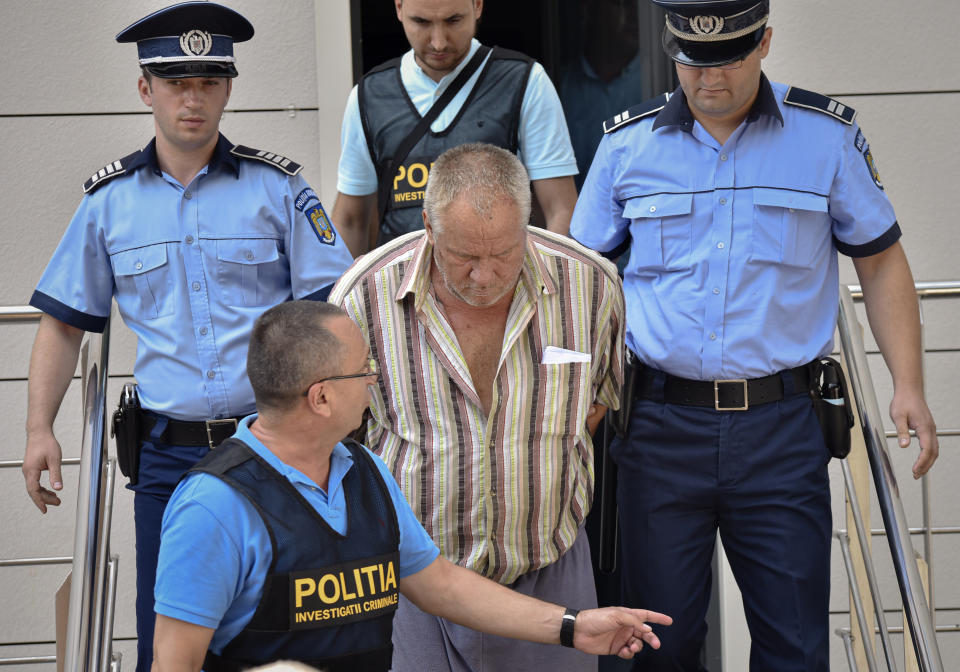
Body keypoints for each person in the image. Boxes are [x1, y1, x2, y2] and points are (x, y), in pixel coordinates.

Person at [569, 1, 940, 670]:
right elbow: (576, 279)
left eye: (729, 61)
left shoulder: (824, 138)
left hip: (781, 428)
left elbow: (880, 262)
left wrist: (906, 384)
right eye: (692, 63)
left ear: (764, 42)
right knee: (658, 644)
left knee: (793, 644)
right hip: (660, 426)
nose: (708, 80)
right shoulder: (628, 145)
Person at [20, 4, 353, 671]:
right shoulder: (109, 203)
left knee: (285, 627)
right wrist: (38, 430)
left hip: (275, 448)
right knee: (172, 638)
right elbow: (62, 323)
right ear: (146, 90)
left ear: (229, 87)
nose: (191, 97)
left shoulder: (278, 189)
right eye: (175, 81)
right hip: (170, 459)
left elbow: (332, 315)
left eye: (207, 80)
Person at [152, 300, 672, 671]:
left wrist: (573, 626)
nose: (375, 381)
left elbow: (440, 584)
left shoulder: (365, 470)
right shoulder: (214, 507)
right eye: (364, 371)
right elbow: (174, 663)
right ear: (322, 398)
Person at [330, 142, 626, 671]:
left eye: (504, 254)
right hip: (412, 578)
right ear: (426, 224)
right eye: (464, 255)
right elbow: (341, 439)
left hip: (549, 569)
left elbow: (597, 404)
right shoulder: (364, 297)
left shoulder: (591, 286)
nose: (484, 275)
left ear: (529, 220)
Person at [332, 0, 579, 255]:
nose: (439, 42)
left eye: (453, 20)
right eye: (422, 22)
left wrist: (549, 288)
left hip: (496, 283)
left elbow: (561, 211)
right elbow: (351, 221)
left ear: (478, 6)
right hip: (400, 289)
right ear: (398, 8)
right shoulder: (369, 95)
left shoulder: (525, 82)